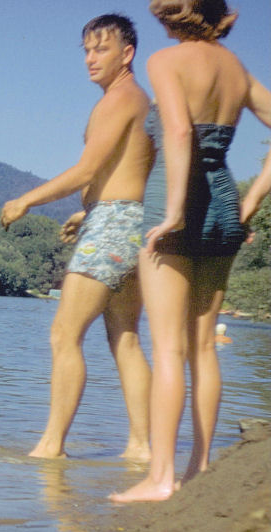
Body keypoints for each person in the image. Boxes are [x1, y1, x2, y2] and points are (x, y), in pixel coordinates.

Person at [111, 0, 271, 502]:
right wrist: (252, 198)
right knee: (203, 348)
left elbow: (178, 131)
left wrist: (175, 209)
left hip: (171, 205)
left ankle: (161, 477)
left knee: (168, 349)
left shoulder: (165, 62)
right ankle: (199, 469)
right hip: (225, 202)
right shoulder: (235, 69)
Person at [1, 14, 154, 460]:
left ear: (127, 54)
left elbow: (87, 170)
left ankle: (51, 447)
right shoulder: (138, 100)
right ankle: (141, 447)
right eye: (86, 50)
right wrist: (86, 210)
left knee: (64, 334)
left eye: (101, 49)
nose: (90, 59)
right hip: (131, 222)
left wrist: (26, 200)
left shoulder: (119, 98)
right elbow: (123, 172)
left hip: (114, 224)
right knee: (124, 337)